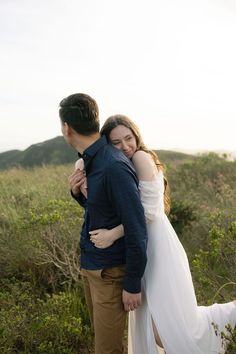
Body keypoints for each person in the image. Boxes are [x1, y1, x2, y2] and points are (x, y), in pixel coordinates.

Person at [88, 114, 236, 354]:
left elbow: (149, 212)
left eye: (129, 138)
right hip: (143, 245)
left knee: (172, 329)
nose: (125, 146)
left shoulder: (140, 157)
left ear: (136, 136)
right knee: (160, 327)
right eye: (117, 142)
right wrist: (80, 165)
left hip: (159, 248)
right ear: (108, 144)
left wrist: (113, 234)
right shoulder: (121, 163)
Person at [59, 94, 148, 354]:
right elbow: (103, 211)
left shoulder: (113, 166)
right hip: (92, 267)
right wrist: (78, 194)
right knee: (103, 343)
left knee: (106, 350)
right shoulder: (90, 159)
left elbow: (136, 226)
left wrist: (132, 283)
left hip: (110, 274)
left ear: (67, 128)